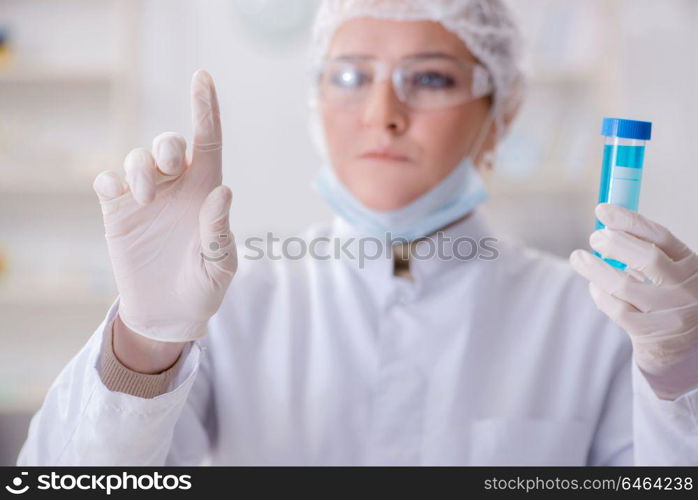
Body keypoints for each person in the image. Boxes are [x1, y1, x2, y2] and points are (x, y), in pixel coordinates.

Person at [17, 0, 698, 465]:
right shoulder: (236, 304)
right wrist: (145, 344)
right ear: (317, 103)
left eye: (429, 78)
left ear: (502, 114)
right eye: (350, 76)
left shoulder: (593, 320)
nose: (382, 113)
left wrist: (680, 375)